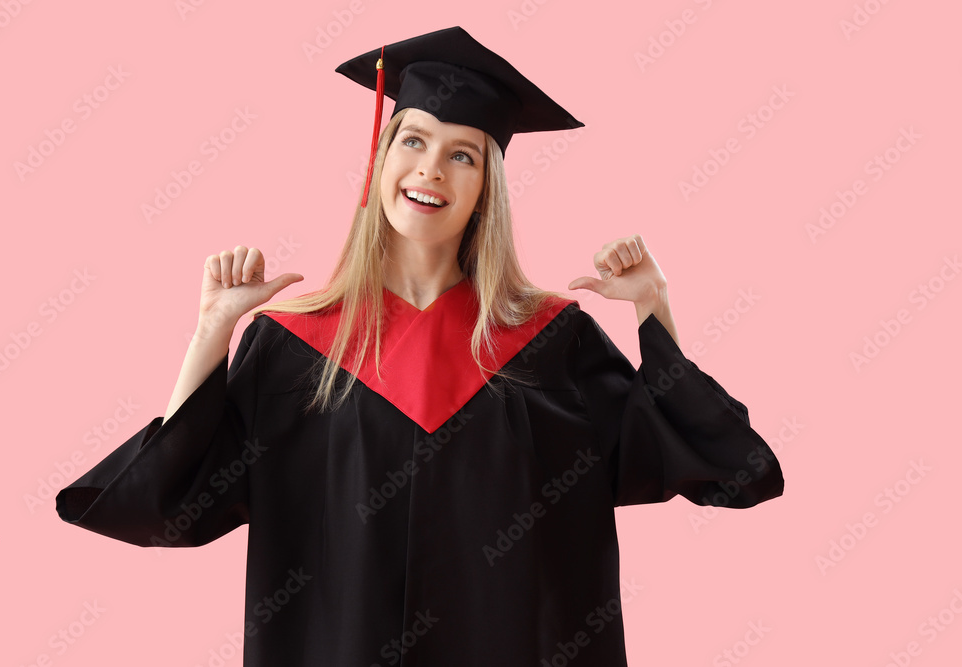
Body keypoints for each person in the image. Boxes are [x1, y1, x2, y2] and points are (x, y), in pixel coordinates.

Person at [56, 26, 784, 666]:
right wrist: (211, 331)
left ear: (485, 189)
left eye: (463, 155)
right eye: (413, 139)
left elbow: (730, 469)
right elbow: (164, 503)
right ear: (380, 161)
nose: (432, 169)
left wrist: (654, 310)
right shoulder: (292, 349)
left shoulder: (552, 347)